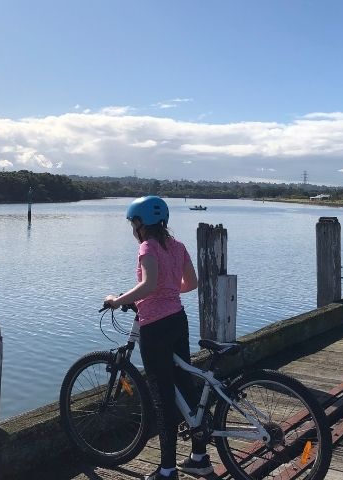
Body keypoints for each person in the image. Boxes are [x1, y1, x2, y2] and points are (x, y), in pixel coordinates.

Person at [104, 196, 211, 480]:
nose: (132, 228)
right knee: (185, 385)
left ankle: (167, 470)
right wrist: (167, 292)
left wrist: (117, 300)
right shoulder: (177, 246)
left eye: (132, 223)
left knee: (162, 398)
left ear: (140, 224)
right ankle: (199, 458)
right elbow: (191, 284)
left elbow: (148, 284)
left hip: (156, 327)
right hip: (178, 319)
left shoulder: (147, 247)